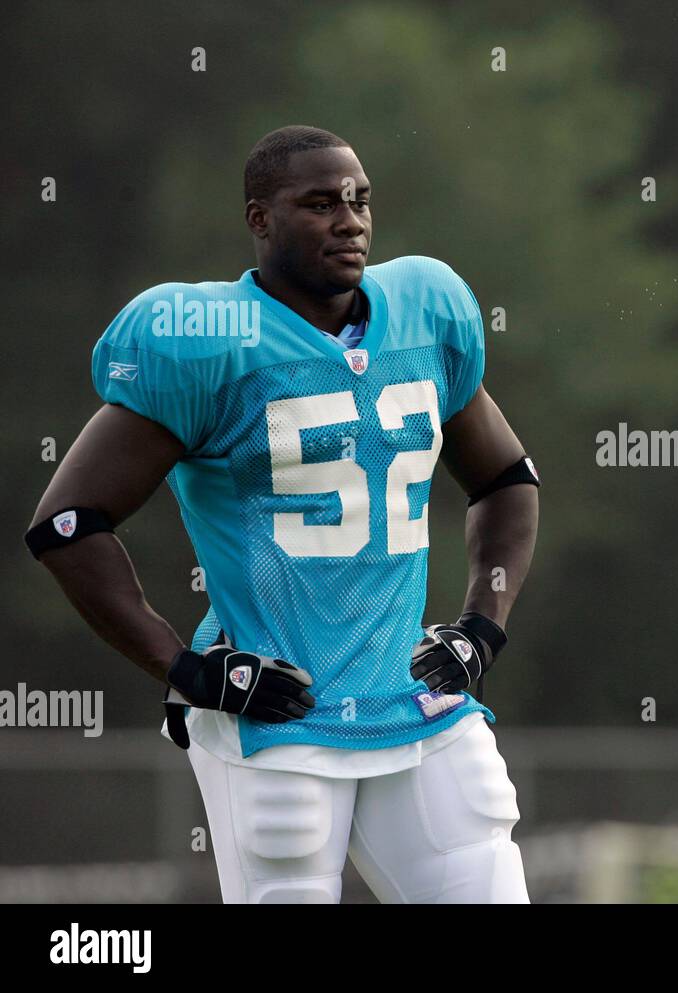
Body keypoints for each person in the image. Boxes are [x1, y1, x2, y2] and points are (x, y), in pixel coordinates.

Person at [26, 125, 540, 904]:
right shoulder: (207, 342)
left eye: (360, 201)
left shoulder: (423, 310)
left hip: (415, 700)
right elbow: (67, 523)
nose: (351, 221)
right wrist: (187, 668)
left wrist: (482, 623)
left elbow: (507, 476)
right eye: (321, 203)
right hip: (279, 713)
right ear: (260, 219)